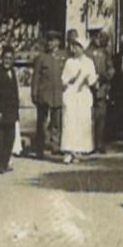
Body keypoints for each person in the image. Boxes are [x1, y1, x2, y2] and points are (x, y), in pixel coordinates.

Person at [59, 32, 97, 163]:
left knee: (81, 123)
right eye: (72, 46)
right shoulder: (69, 62)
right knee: (69, 122)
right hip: (71, 95)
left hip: (83, 96)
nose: (73, 49)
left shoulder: (89, 63)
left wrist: (88, 80)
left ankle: (77, 151)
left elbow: (93, 81)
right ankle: (68, 151)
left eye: (77, 47)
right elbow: (63, 80)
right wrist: (72, 79)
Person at [30, 30, 64, 158]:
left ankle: (55, 145)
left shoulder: (62, 56)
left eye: (53, 41)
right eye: (49, 41)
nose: (51, 44)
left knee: (56, 121)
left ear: (58, 42)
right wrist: (34, 93)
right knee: (42, 122)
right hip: (44, 94)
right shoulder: (41, 58)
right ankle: (40, 147)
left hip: (58, 94)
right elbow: (36, 77)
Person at [0, 45, 21, 173]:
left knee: (9, 138)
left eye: (10, 58)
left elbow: (15, 92)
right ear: (1, 58)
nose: (7, 61)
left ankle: (4, 162)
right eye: (5, 58)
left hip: (11, 112)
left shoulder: (13, 72)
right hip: (0, 112)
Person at [88, 28, 114, 152]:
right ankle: (90, 143)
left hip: (102, 88)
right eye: (96, 37)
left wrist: (105, 77)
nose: (98, 39)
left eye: (100, 37)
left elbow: (111, 69)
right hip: (88, 90)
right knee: (89, 117)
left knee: (101, 117)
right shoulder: (86, 53)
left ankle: (100, 143)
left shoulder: (105, 53)